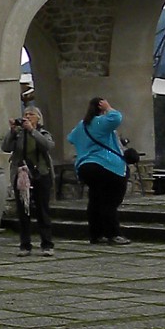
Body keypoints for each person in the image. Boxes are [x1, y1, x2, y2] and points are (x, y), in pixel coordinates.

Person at [68, 96, 128, 246]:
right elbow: (116, 118)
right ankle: (113, 234)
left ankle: (96, 234)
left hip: (85, 167)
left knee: (95, 199)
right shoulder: (100, 122)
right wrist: (108, 108)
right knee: (110, 200)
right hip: (106, 165)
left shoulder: (82, 125)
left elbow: (71, 138)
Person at [4, 104, 57, 256]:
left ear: (38, 118)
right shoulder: (19, 134)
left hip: (40, 174)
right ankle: (25, 245)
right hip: (22, 175)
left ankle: (47, 244)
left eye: (31, 115)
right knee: (23, 211)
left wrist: (32, 131)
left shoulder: (42, 132)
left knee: (42, 209)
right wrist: (12, 131)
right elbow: (6, 147)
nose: (27, 117)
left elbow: (48, 145)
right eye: (25, 114)